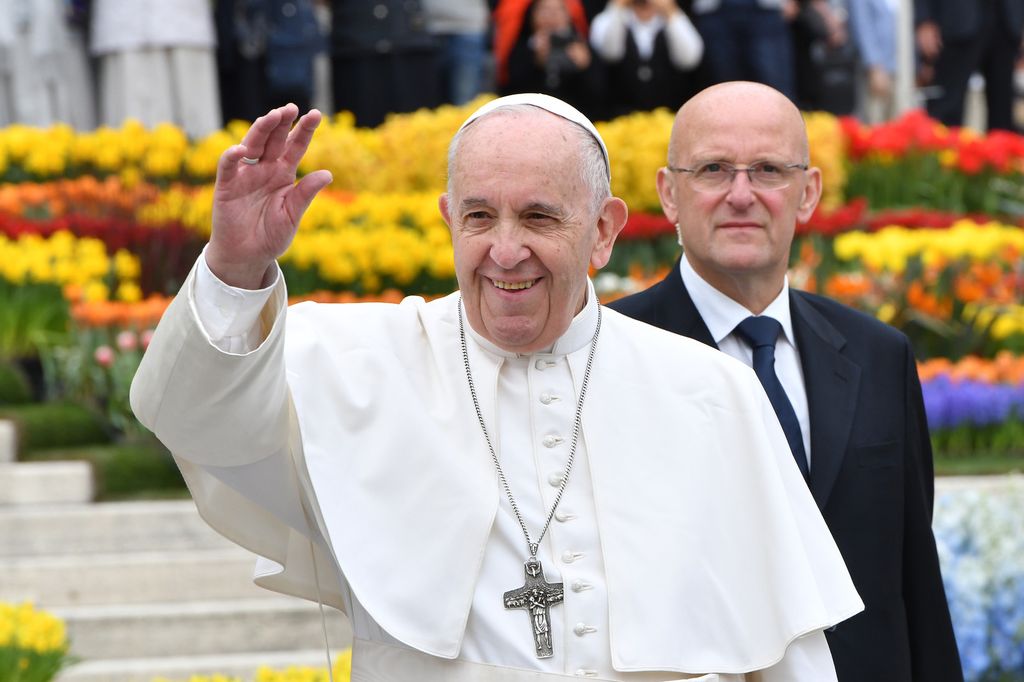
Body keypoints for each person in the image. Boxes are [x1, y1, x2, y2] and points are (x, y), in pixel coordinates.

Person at [130, 93, 864, 680]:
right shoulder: (351, 363)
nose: (505, 251)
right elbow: (194, 418)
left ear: (604, 231)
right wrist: (234, 269)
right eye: (479, 216)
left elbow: (788, 649)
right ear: (450, 220)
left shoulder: (713, 393)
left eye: (540, 217)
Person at [609, 81, 963, 682]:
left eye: (768, 170)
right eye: (714, 169)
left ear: (808, 193)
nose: (741, 195)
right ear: (670, 194)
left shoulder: (879, 355)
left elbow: (915, 583)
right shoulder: (610, 357)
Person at [914, 0, 1024, 132]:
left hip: (1006, 19)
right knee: (947, 113)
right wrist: (924, 19)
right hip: (955, 20)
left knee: (1003, 117)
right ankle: (944, 152)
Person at [589, 0, 704, 118]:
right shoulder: (607, 19)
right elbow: (610, 54)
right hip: (622, 118)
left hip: (668, 116)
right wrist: (617, 7)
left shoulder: (675, 18)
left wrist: (670, 12)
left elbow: (689, 60)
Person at [494, 0, 606, 119]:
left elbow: (600, 96)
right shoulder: (522, 47)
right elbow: (509, 92)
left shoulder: (582, 47)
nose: (552, 16)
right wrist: (534, 61)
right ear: (532, 14)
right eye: (545, 10)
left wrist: (586, 67)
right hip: (529, 118)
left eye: (559, 10)